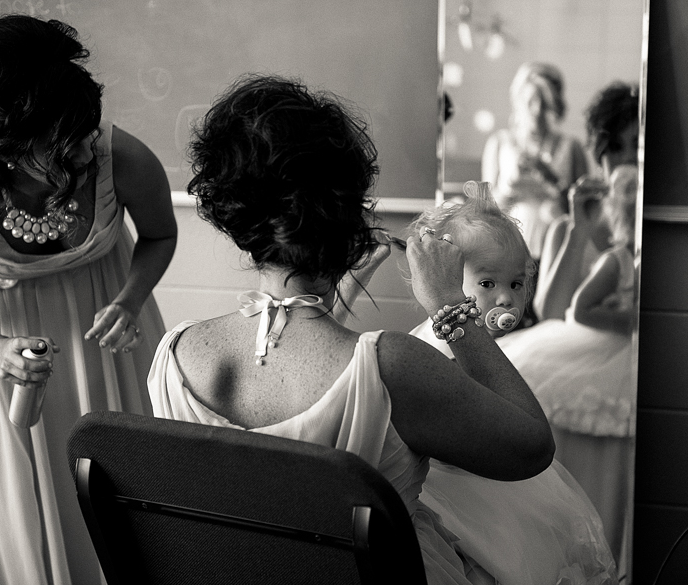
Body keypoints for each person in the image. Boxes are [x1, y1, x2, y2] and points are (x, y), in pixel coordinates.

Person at [146, 74, 555, 584]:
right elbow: (532, 447)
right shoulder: (394, 365)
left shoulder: (174, 355)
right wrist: (452, 308)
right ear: (349, 215)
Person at [0, 16, 177, 584]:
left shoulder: (121, 156)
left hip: (107, 336)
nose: (89, 150)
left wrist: (130, 300)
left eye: (88, 132)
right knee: (22, 496)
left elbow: (161, 235)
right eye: (66, 143)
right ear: (14, 148)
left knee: (121, 491)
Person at [409, 181, 618, 585]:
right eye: (487, 284)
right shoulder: (450, 349)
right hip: (463, 496)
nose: (506, 299)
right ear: (441, 282)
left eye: (516, 284)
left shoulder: (472, 342)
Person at [533, 81, 639, 322]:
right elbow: (549, 317)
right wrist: (578, 233)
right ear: (599, 154)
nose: (627, 158)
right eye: (614, 147)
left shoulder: (659, 231)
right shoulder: (565, 229)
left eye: (637, 145)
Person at [481, 62, 590, 259]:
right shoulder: (499, 143)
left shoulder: (571, 146)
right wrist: (509, 185)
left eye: (545, 103)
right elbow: (484, 212)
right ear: (518, 100)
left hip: (559, 250)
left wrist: (552, 180)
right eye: (531, 101)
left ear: (555, 104)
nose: (537, 110)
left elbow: (585, 211)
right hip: (507, 251)